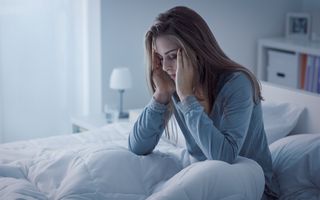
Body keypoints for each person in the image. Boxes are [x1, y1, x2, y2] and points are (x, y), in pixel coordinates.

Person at [128, 6, 279, 199]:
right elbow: (137, 147)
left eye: (173, 56)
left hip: (254, 186)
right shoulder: (173, 84)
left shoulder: (237, 83)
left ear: (196, 50)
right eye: (160, 58)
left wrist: (186, 98)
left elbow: (224, 157)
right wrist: (161, 94)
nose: (165, 67)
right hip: (205, 181)